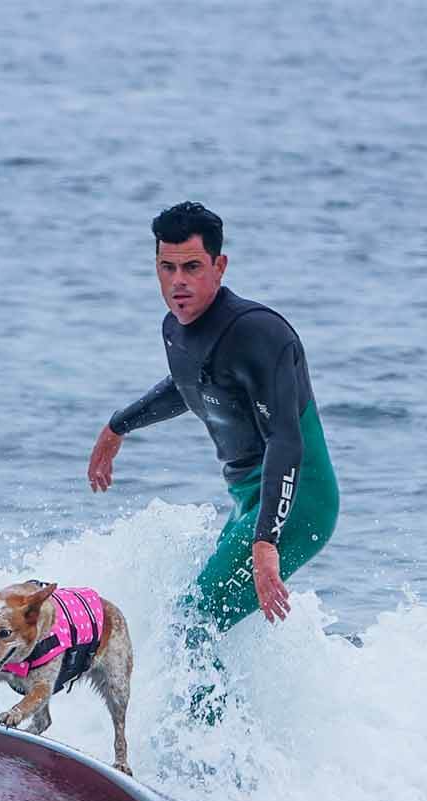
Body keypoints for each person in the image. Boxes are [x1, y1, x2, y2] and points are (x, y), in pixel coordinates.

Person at [88, 201, 339, 640]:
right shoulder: (176, 329)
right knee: (201, 618)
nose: (178, 281)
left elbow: (285, 440)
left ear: (219, 266)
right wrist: (117, 427)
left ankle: (198, 714)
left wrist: (266, 541)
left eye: (192, 267)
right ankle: (245, 710)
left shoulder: (260, 334)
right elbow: (186, 386)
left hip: (299, 502)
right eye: (167, 267)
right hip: (249, 500)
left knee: (194, 622)